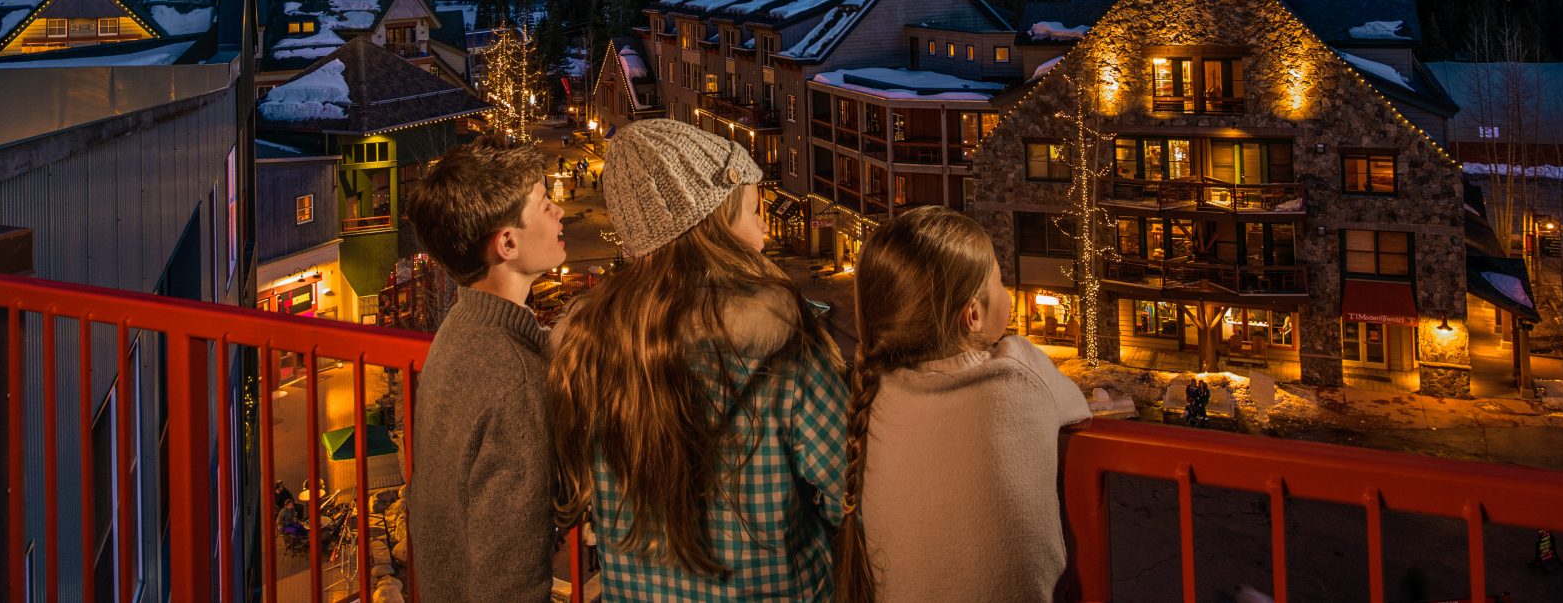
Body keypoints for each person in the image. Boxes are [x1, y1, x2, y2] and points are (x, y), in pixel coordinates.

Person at [551, 118, 849, 602]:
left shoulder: (590, 348)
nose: (762, 235)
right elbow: (851, 492)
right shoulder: (782, 342)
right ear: (713, 228)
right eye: (753, 214)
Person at [835, 207, 1090, 603]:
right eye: (999, 281)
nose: (1006, 292)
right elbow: (1077, 407)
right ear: (972, 315)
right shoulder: (1017, 368)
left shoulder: (873, 391)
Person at [405, 141, 567, 603]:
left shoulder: (458, 331)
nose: (560, 213)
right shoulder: (515, 377)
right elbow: (511, 574)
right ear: (508, 243)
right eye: (544, 203)